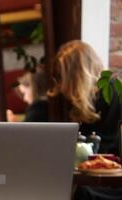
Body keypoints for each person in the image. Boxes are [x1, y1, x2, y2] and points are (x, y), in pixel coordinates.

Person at [48, 40, 122, 200]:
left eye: (63, 77)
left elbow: (105, 151)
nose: (61, 86)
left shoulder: (111, 94)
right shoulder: (83, 102)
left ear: (79, 74)